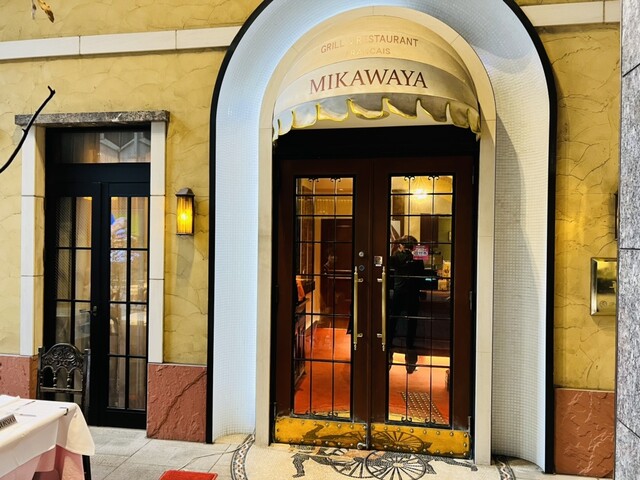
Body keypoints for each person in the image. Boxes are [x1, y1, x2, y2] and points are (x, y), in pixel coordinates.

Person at [388, 235, 424, 373]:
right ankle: (409, 346)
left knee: (393, 318)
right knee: (412, 320)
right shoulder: (418, 257)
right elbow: (421, 274)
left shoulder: (396, 257)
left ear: (401, 246)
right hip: (413, 293)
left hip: (399, 292)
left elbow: (387, 263)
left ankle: (389, 343)